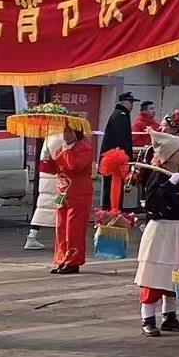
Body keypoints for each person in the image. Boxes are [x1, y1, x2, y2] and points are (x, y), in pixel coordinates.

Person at [132, 132, 179, 335]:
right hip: (162, 230)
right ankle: (148, 318)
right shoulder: (157, 177)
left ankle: (170, 316)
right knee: (155, 276)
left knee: (176, 274)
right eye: (178, 151)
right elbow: (152, 204)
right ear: (167, 155)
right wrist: (169, 185)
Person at [41, 121, 94, 274]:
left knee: (74, 230)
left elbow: (75, 166)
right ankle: (62, 259)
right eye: (65, 131)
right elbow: (52, 169)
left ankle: (73, 261)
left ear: (77, 132)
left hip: (79, 194)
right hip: (63, 194)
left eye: (70, 131)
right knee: (61, 228)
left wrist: (65, 152)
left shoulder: (85, 148)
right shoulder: (62, 148)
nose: (66, 135)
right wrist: (47, 157)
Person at [24, 127, 67, 251]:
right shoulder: (59, 136)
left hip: (47, 177)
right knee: (59, 208)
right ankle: (63, 240)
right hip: (56, 177)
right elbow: (60, 156)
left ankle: (32, 236)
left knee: (43, 208)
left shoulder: (51, 134)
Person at [101, 92, 136, 209]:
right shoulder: (120, 116)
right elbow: (120, 140)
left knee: (114, 188)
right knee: (113, 189)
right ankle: (112, 211)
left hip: (116, 159)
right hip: (115, 160)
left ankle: (112, 210)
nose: (132, 105)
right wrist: (124, 158)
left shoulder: (121, 115)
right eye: (130, 102)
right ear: (124, 102)